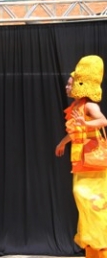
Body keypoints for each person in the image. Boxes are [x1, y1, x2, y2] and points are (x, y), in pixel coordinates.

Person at [55, 55, 107, 258]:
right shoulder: (76, 107)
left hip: (94, 161)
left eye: (71, 83)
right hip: (81, 161)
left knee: (91, 199)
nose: (67, 87)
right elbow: (74, 132)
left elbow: (103, 121)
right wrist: (62, 143)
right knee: (83, 201)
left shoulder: (88, 105)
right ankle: (93, 247)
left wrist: (86, 124)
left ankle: (100, 243)